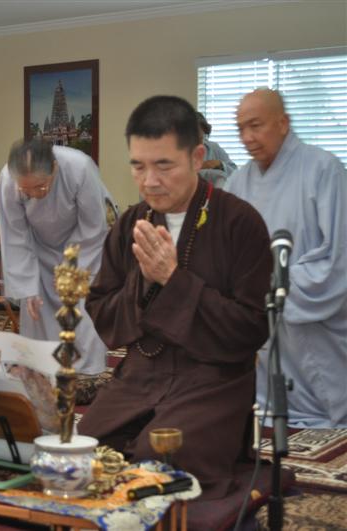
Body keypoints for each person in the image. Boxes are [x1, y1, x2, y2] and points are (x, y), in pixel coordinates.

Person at [79, 95, 273, 500]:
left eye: (164, 165)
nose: (149, 180)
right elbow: (101, 310)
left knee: (158, 462)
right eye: (138, 166)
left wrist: (173, 279)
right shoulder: (131, 224)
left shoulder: (241, 223)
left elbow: (253, 328)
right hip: (141, 375)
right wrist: (144, 283)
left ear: (197, 157)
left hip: (213, 381)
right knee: (83, 454)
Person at [226, 88, 347, 428]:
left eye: (255, 126)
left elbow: (337, 258)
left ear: (283, 123)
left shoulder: (324, 169)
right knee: (268, 407)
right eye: (241, 128)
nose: (247, 138)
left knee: (325, 415)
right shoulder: (237, 182)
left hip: (313, 324)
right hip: (260, 322)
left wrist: (270, 289)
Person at [0, 138, 111, 374]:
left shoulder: (80, 167)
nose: (33, 194)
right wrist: (27, 287)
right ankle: (43, 367)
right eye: (26, 191)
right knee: (36, 307)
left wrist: (72, 269)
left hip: (83, 245)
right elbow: (15, 235)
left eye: (40, 187)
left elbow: (93, 227)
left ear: (54, 168)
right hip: (38, 246)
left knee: (82, 305)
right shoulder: (8, 178)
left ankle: (86, 372)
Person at [196, 112, 237, 188]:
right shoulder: (179, 152)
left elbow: (235, 172)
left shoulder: (213, 147)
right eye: (195, 138)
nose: (200, 143)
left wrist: (221, 165)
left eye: (201, 137)